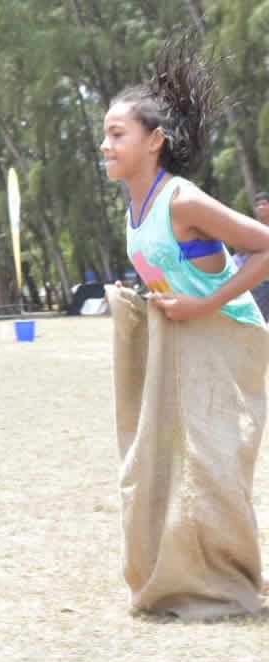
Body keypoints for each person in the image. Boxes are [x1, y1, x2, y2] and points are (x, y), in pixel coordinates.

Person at [101, 35, 269, 618]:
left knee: (216, 468)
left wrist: (204, 305)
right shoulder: (133, 207)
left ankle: (228, 581)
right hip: (189, 344)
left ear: (154, 141)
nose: (106, 145)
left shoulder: (183, 200)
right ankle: (184, 575)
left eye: (118, 134)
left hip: (230, 341)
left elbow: (266, 247)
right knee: (173, 464)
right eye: (104, 134)